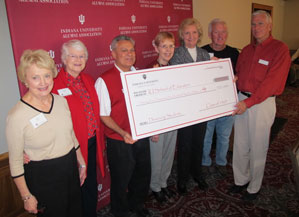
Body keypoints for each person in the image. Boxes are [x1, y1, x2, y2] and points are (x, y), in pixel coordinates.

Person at [6, 49, 86, 217]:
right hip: (44, 177)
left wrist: (82, 163)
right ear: (25, 80)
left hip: (69, 168)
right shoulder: (17, 116)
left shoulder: (61, 101)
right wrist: (26, 196)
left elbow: (70, 135)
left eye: (47, 75)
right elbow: (15, 161)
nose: (43, 82)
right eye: (35, 77)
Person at [230, 10, 291, 201]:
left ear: (270, 26)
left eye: (260, 24)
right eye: (253, 24)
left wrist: (247, 103)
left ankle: (254, 187)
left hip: (261, 103)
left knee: (258, 146)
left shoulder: (280, 49)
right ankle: (240, 180)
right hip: (242, 100)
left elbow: (271, 83)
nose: (256, 28)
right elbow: (239, 73)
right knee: (240, 144)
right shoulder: (247, 49)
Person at [95, 35, 151, 217]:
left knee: (142, 175)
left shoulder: (140, 75)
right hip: (119, 140)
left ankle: (137, 205)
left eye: (132, 50)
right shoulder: (104, 80)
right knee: (121, 180)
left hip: (141, 135)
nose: (129, 54)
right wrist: (123, 133)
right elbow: (103, 115)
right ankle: (119, 211)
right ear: (113, 54)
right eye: (124, 50)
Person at [51, 39, 106, 217]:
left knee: (89, 184)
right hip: (70, 148)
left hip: (90, 142)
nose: (78, 59)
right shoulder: (54, 84)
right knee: (74, 189)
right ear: (64, 59)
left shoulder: (88, 80)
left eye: (82, 56)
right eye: (73, 56)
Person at [169, 18, 210, 195]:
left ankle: (197, 173)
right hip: (185, 108)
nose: (191, 36)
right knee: (185, 144)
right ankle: (183, 178)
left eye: (194, 32)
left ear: (199, 35)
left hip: (201, 107)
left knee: (198, 143)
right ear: (182, 35)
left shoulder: (204, 54)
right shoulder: (176, 54)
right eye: (187, 33)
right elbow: (176, 80)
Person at [201, 18, 239, 177]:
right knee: (206, 136)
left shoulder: (234, 53)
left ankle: (221, 162)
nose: (220, 35)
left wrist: (236, 77)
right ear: (210, 34)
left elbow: (240, 73)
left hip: (228, 102)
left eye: (223, 32)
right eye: (216, 32)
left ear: (227, 34)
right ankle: (205, 161)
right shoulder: (202, 52)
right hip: (208, 103)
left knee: (224, 136)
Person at [148, 32, 177, 203]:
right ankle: (155, 186)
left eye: (171, 46)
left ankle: (163, 183)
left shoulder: (174, 67)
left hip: (172, 119)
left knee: (168, 155)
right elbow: (147, 102)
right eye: (164, 46)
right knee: (156, 157)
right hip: (157, 123)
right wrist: (153, 128)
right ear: (156, 47)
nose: (168, 50)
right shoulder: (150, 69)